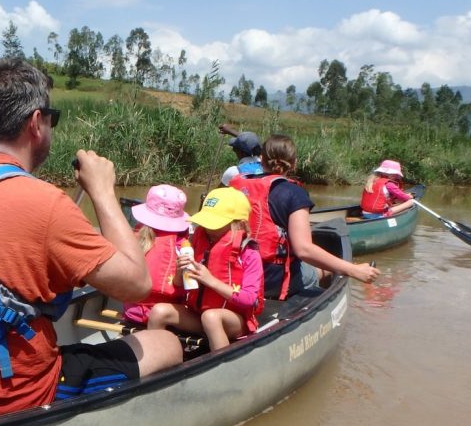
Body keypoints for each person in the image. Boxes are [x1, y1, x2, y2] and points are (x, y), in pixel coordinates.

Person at [0, 58, 183, 426]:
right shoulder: (44, 203)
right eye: (52, 119)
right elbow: (136, 284)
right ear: (36, 123)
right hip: (6, 401)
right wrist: (102, 191)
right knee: (168, 344)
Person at [229, 134, 379, 299]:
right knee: (325, 270)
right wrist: (353, 270)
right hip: (270, 280)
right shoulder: (294, 193)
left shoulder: (236, 185)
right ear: (294, 164)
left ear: (262, 159)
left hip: (233, 271)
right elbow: (303, 249)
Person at [146, 188, 264, 353]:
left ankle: (222, 363)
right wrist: (179, 274)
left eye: (216, 224)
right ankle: (155, 357)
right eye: (206, 222)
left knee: (211, 317)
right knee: (159, 311)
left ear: (240, 224)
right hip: (198, 315)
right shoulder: (197, 242)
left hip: (233, 321)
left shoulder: (249, 253)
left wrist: (211, 281)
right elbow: (180, 289)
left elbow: (249, 299)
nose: (208, 229)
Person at [120, 184, 192, 325]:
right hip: (163, 316)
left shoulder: (133, 238)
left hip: (132, 312)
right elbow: (187, 286)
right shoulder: (182, 245)